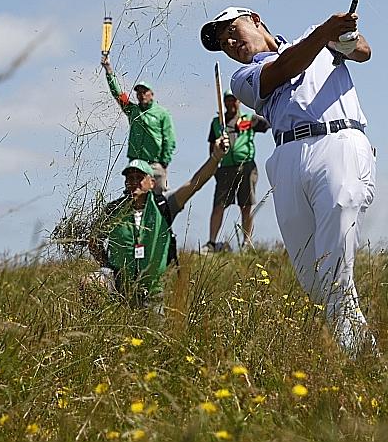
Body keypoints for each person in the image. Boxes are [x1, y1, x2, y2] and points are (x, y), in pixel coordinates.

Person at [202, 5, 375, 355]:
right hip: (286, 157)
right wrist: (325, 32)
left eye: (232, 31)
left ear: (255, 19)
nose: (230, 43)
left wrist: (344, 36)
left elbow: (362, 52)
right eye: (223, 43)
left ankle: (358, 360)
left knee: (334, 266)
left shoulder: (317, 36)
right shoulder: (243, 78)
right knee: (313, 279)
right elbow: (283, 69)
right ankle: (362, 355)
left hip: (338, 141)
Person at [90, 137, 232, 307]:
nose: (134, 182)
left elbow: (195, 183)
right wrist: (108, 266)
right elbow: (93, 241)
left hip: (153, 289)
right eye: (130, 178)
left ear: (152, 182)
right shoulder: (114, 210)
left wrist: (216, 157)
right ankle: (99, 319)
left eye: (139, 177)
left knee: (156, 322)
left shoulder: (163, 205)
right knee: (90, 282)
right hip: (119, 283)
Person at [100, 56, 176, 193]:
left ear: (151, 94)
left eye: (144, 92)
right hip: (136, 164)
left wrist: (164, 162)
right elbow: (118, 94)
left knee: (159, 198)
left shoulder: (162, 113)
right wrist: (109, 71)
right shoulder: (133, 110)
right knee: (133, 197)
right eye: (138, 92)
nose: (141, 95)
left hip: (155, 164)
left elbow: (169, 139)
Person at [205, 92, 270, 251]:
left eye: (233, 100)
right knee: (219, 205)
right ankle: (212, 243)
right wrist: (213, 167)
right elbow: (212, 146)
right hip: (225, 167)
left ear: (239, 102)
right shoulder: (217, 123)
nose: (230, 103)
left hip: (246, 166)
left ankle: (246, 242)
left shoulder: (248, 119)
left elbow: (268, 124)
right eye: (227, 100)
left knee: (246, 205)